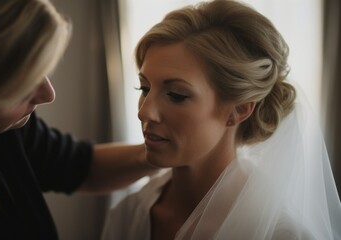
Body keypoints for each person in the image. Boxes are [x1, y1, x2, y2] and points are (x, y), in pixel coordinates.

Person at [0, 0, 156, 239]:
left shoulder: (2, 128)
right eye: (26, 81)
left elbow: (81, 167)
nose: (48, 94)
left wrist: (160, 152)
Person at [102, 0, 341, 239]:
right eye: (144, 88)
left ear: (239, 110)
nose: (144, 112)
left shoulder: (280, 233)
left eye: (176, 95)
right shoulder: (129, 213)